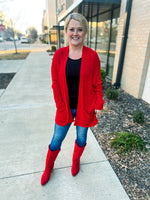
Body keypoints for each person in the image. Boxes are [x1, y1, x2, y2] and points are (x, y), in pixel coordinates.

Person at [41, 13, 104, 186]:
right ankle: (48, 167)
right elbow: (55, 84)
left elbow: (98, 83)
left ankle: (76, 161)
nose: (75, 33)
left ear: (85, 32)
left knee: (82, 139)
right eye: (72, 29)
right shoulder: (59, 55)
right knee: (56, 140)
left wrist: (99, 103)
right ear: (66, 32)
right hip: (65, 108)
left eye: (79, 29)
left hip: (85, 108)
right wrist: (61, 107)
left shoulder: (92, 56)